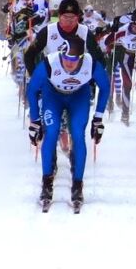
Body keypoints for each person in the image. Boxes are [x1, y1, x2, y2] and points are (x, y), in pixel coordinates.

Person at [27, 39, 110, 212]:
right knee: (51, 132)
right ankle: (47, 182)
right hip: (53, 96)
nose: (69, 64)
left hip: (79, 96)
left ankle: (78, 185)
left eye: (74, 60)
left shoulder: (91, 64)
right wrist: (35, 121)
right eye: (66, 59)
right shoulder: (50, 63)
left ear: (82, 58)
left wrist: (98, 118)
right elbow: (32, 89)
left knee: (78, 134)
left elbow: (105, 87)